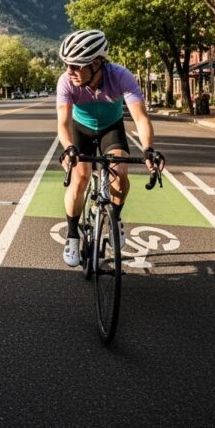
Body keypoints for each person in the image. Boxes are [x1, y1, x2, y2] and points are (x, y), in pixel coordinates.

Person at [56, 30, 165, 267]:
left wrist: (148, 149)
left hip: (111, 128)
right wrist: (69, 148)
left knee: (120, 174)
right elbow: (63, 124)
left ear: (96, 64)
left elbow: (141, 118)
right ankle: (72, 235)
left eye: (75, 66)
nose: (69, 71)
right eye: (66, 65)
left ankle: (115, 218)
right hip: (81, 129)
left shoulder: (121, 76)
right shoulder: (66, 82)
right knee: (80, 177)